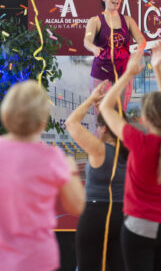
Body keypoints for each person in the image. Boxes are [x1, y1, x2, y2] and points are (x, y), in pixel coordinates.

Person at [0, 80, 85, 271]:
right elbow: (77, 206)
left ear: (6, 113)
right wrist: (71, 170)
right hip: (36, 260)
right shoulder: (52, 158)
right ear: (43, 120)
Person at [100, 43, 161, 271]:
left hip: (141, 228)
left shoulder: (138, 141)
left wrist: (128, 73)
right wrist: (157, 69)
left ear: (145, 119)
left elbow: (106, 107)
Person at [65, 82, 128, 271]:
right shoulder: (132, 149)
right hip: (124, 216)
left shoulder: (99, 149)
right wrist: (106, 110)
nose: (96, 131)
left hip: (96, 216)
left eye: (98, 127)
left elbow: (71, 123)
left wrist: (91, 99)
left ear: (105, 129)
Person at [84, 0, 145, 111]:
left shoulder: (128, 21)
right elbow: (87, 41)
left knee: (120, 115)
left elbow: (141, 39)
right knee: (101, 116)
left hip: (124, 75)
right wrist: (94, 48)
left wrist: (139, 50)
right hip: (101, 74)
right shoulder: (95, 21)